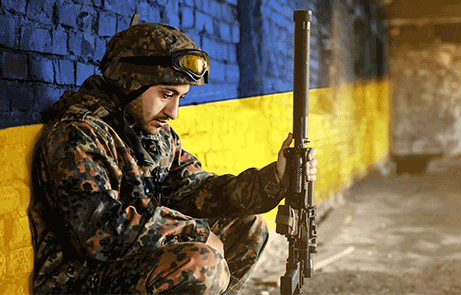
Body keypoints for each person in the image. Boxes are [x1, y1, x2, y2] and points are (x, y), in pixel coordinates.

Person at [28, 22, 317, 294]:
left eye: (180, 97)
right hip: (80, 278)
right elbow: (99, 230)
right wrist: (195, 232)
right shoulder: (78, 134)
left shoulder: (153, 134)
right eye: (166, 94)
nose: (173, 111)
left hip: (126, 266)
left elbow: (198, 190)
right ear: (130, 82)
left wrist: (276, 178)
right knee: (201, 264)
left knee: (248, 226)